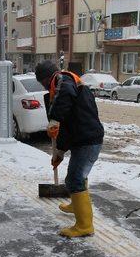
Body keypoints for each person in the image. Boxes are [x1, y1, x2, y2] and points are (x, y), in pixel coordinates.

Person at [35, 60, 104, 238]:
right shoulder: (63, 86)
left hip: (88, 141)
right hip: (83, 138)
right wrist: (59, 152)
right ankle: (76, 205)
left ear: (45, 78)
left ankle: (84, 226)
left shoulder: (63, 80)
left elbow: (63, 104)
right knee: (78, 176)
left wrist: (54, 119)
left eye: (42, 82)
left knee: (74, 179)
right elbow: (66, 128)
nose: (43, 86)